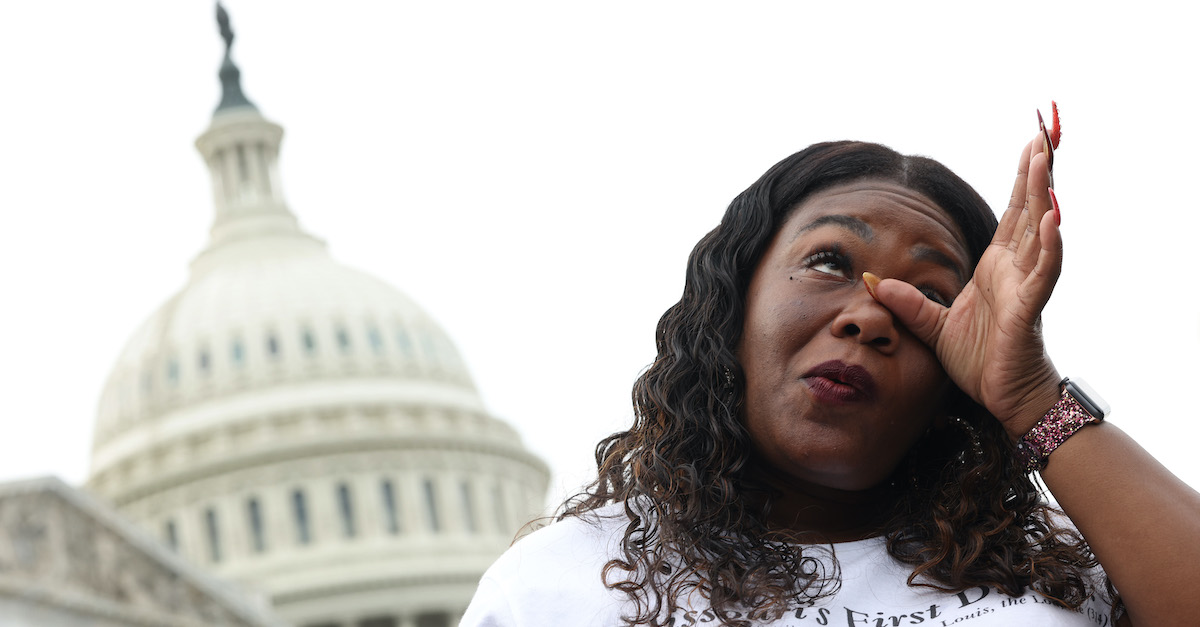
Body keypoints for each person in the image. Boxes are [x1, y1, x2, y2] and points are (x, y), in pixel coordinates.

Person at [460, 118, 1200, 626]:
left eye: (932, 298)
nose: (871, 315)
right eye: (829, 262)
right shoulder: (564, 586)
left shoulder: (1069, 572)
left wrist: (1032, 396)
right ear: (734, 306)